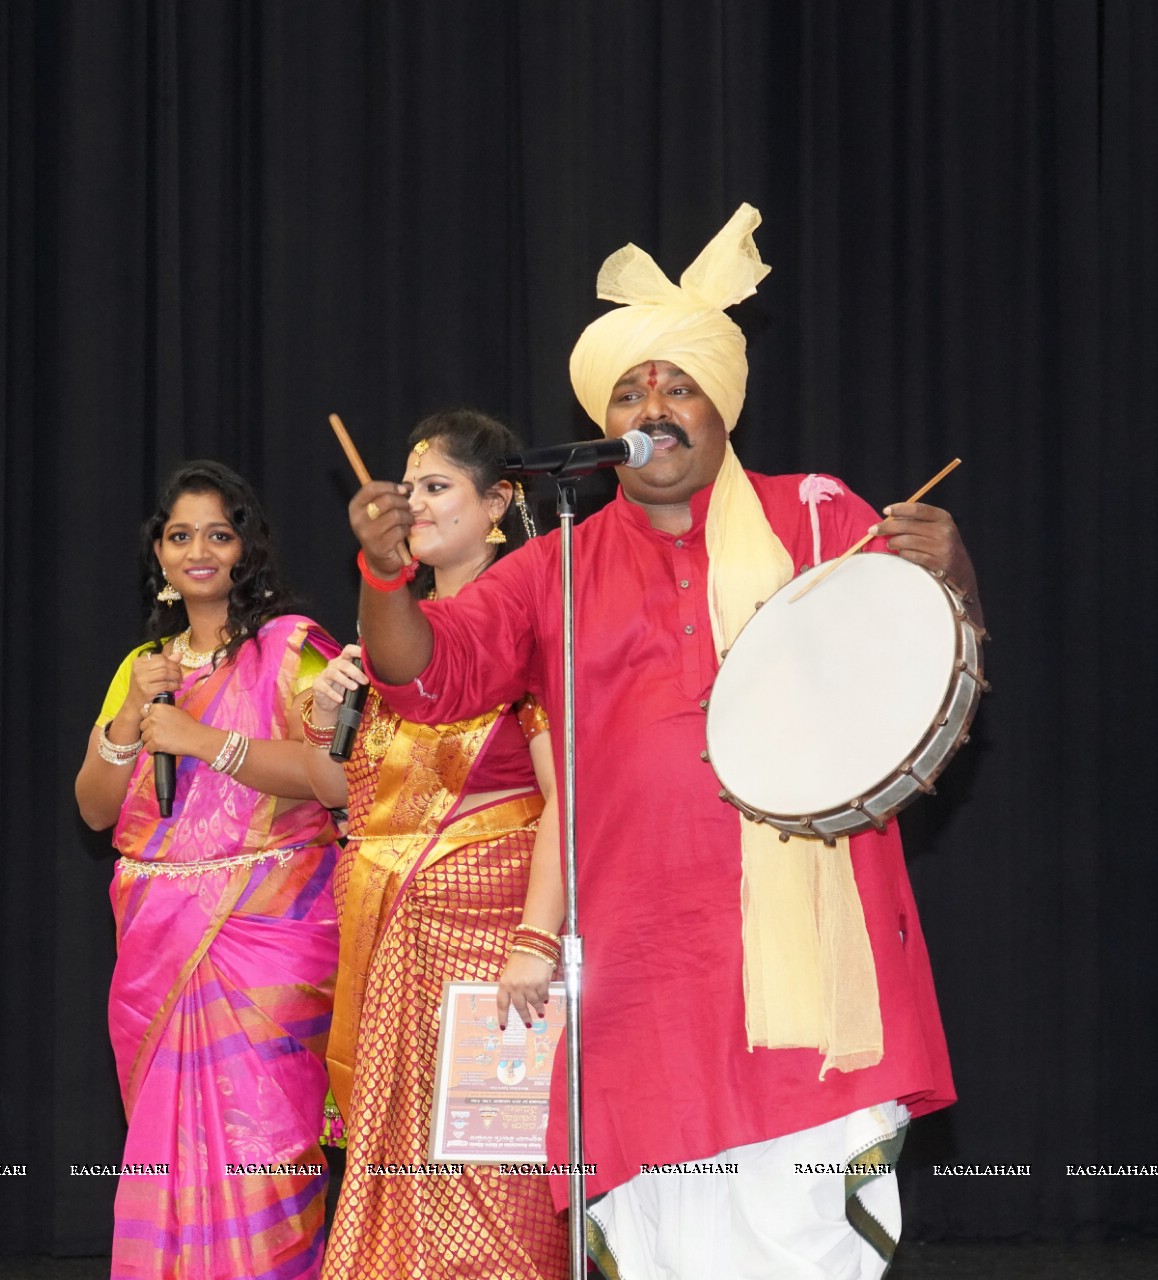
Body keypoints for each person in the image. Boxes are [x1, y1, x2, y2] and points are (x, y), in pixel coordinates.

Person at [342, 206, 981, 1279]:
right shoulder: (554, 568)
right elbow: (425, 671)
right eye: (630, 390)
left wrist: (951, 571)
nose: (652, 406)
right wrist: (382, 573)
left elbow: (916, 678)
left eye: (675, 385)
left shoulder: (819, 519)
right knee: (665, 1245)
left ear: (721, 406)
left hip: (804, 972)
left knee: (798, 1233)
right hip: (642, 968)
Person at [299, 411, 569, 1280]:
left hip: (494, 952)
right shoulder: (394, 639)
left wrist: (534, 941)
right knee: (395, 1180)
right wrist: (327, 713)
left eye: (437, 486)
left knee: (493, 1180)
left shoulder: (527, 631)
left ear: (498, 505)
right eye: (407, 487)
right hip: (393, 947)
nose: (413, 503)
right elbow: (360, 799)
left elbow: (566, 794)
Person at [74, 461, 342, 1280]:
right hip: (160, 941)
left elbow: (333, 779)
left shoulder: (290, 647)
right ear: (158, 553)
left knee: (264, 1138)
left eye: (217, 535)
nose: (198, 551)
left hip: (268, 935)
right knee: (171, 1148)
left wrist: (204, 743)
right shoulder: (142, 668)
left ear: (245, 550)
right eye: (180, 535)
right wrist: (131, 719)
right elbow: (92, 809)